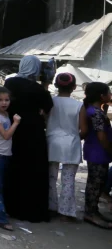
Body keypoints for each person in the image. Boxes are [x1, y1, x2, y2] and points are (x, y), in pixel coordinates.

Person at [4, 55, 53, 223]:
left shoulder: (10, 83)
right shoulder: (38, 89)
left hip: (14, 129)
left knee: (13, 167)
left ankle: (8, 205)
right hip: (34, 133)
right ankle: (30, 210)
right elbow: (48, 106)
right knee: (33, 170)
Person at [47, 73, 83, 223]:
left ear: (56, 85)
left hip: (52, 142)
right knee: (68, 180)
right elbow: (84, 129)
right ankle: (65, 212)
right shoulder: (79, 105)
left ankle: (51, 207)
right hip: (71, 143)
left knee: (50, 178)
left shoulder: (50, 102)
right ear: (74, 87)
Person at [0, 87, 21, 231]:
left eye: (6, 100)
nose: (4, 102)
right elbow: (6, 135)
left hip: (4, 154)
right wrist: (16, 123)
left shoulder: (6, 114)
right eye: (0, 100)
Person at [79, 82, 112, 228]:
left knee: (96, 182)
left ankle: (93, 211)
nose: (110, 95)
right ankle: (90, 213)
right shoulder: (96, 113)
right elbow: (101, 136)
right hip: (98, 151)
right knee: (95, 184)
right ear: (101, 95)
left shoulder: (93, 110)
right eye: (108, 92)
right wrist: (110, 150)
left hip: (95, 151)